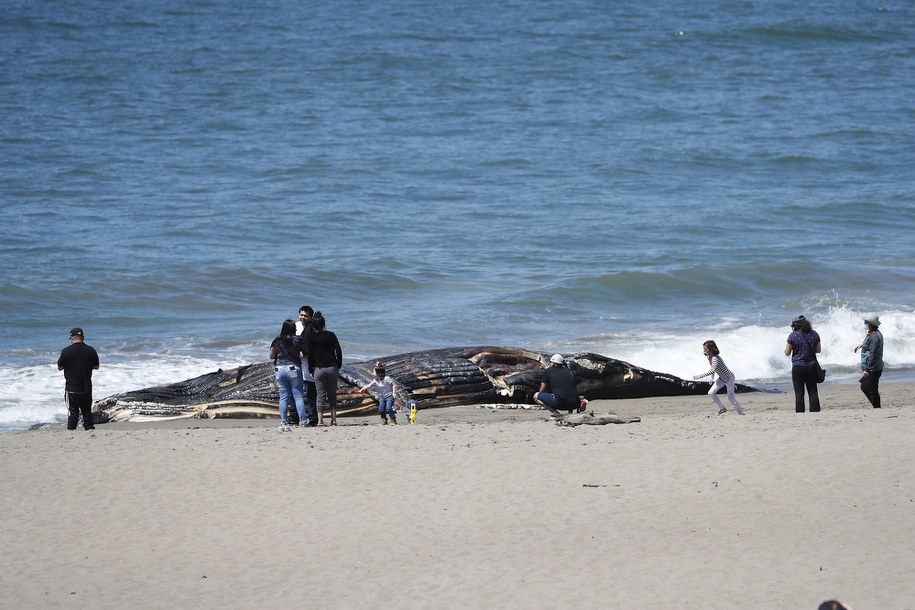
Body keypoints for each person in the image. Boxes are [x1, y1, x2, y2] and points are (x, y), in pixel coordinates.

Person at [57, 327, 100, 431]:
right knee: (86, 411)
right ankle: (89, 429)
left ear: (71, 338)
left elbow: (60, 367)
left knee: (73, 411)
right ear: (83, 337)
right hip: (86, 387)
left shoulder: (66, 351)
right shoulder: (90, 350)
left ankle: (71, 430)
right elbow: (96, 366)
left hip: (72, 388)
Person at [269, 319, 306, 431]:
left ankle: (284, 422)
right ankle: (303, 422)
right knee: (298, 396)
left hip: (279, 369)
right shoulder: (298, 339)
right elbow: (303, 353)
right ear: (293, 328)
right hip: (293, 368)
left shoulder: (277, 340)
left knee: (283, 397)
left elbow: (271, 356)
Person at [307, 312, 342, 426]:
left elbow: (310, 356)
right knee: (332, 394)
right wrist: (339, 364)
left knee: (320, 395)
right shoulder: (331, 335)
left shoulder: (311, 338)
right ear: (323, 324)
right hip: (332, 368)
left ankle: (320, 421)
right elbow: (338, 350)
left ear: (313, 325)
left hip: (319, 369)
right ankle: (334, 420)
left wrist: (310, 370)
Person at [693, 340, 745, 416]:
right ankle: (722, 408)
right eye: (704, 349)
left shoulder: (715, 358)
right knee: (711, 393)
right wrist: (712, 378)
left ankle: (741, 414)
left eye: (705, 349)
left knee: (731, 398)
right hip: (722, 379)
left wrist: (699, 376)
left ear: (711, 349)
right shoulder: (709, 357)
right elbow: (713, 368)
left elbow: (712, 370)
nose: (704, 350)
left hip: (729, 378)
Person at [784, 314, 822, 413]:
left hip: (798, 367)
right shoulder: (814, 334)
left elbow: (787, 353)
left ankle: (800, 413)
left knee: (799, 393)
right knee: (813, 392)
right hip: (811, 366)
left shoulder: (793, 335)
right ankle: (815, 412)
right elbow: (818, 350)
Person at [533, 354, 582, 418]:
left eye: (550, 362)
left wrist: (543, 395)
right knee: (568, 392)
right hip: (575, 404)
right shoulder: (569, 371)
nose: (549, 364)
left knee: (536, 396)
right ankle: (570, 413)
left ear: (553, 363)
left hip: (561, 404)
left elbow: (542, 390)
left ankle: (556, 413)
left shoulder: (548, 371)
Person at [854, 313, 884, 409]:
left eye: (866, 322)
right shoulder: (872, 334)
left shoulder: (874, 337)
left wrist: (867, 369)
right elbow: (871, 346)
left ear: (871, 324)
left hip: (873, 368)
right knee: (867, 388)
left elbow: (873, 354)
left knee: (871, 389)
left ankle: (877, 408)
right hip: (874, 367)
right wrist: (863, 345)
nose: (864, 324)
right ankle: (876, 407)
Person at [295, 305, 318, 426]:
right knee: (296, 393)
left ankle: (313, 418)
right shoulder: (295, 326)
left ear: (310, 317)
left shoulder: (313, 328)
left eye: (305, 315)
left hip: (309, 365)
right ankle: (295, 416)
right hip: (295, 364)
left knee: (310, 394)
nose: (303, 317)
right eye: (301, 315)